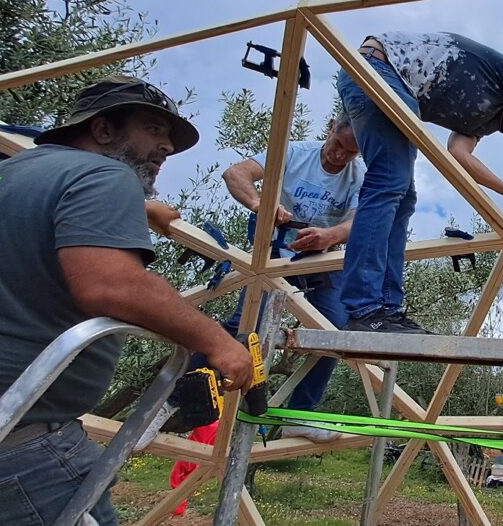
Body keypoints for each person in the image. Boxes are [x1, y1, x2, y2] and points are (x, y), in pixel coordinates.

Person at [0, 76, 254, 525]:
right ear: (102, 131)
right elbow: (110, 284)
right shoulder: (106, 175)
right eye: (153, 130)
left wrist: (139, 207)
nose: (167, 149)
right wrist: (217, 340)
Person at [135, 119, 364, 447]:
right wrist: (262, 204)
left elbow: (362, 220)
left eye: (350, 152)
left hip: (321, 258)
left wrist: (330, 234)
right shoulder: (296, 153)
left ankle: (299, 413)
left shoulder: (359, 175)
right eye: (337, 144)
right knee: (246, 328)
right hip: (273, 250)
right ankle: (163, 403)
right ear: (328, 129)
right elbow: (235, 174)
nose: (340, 156)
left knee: (335, 330)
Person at [336, 31, 503, 334]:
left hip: (383, 82)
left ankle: (385, 309)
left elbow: (458, 154)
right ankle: (365, 308)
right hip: (380, 68)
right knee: (388, 184)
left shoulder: (482, 122)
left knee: (401, 195)